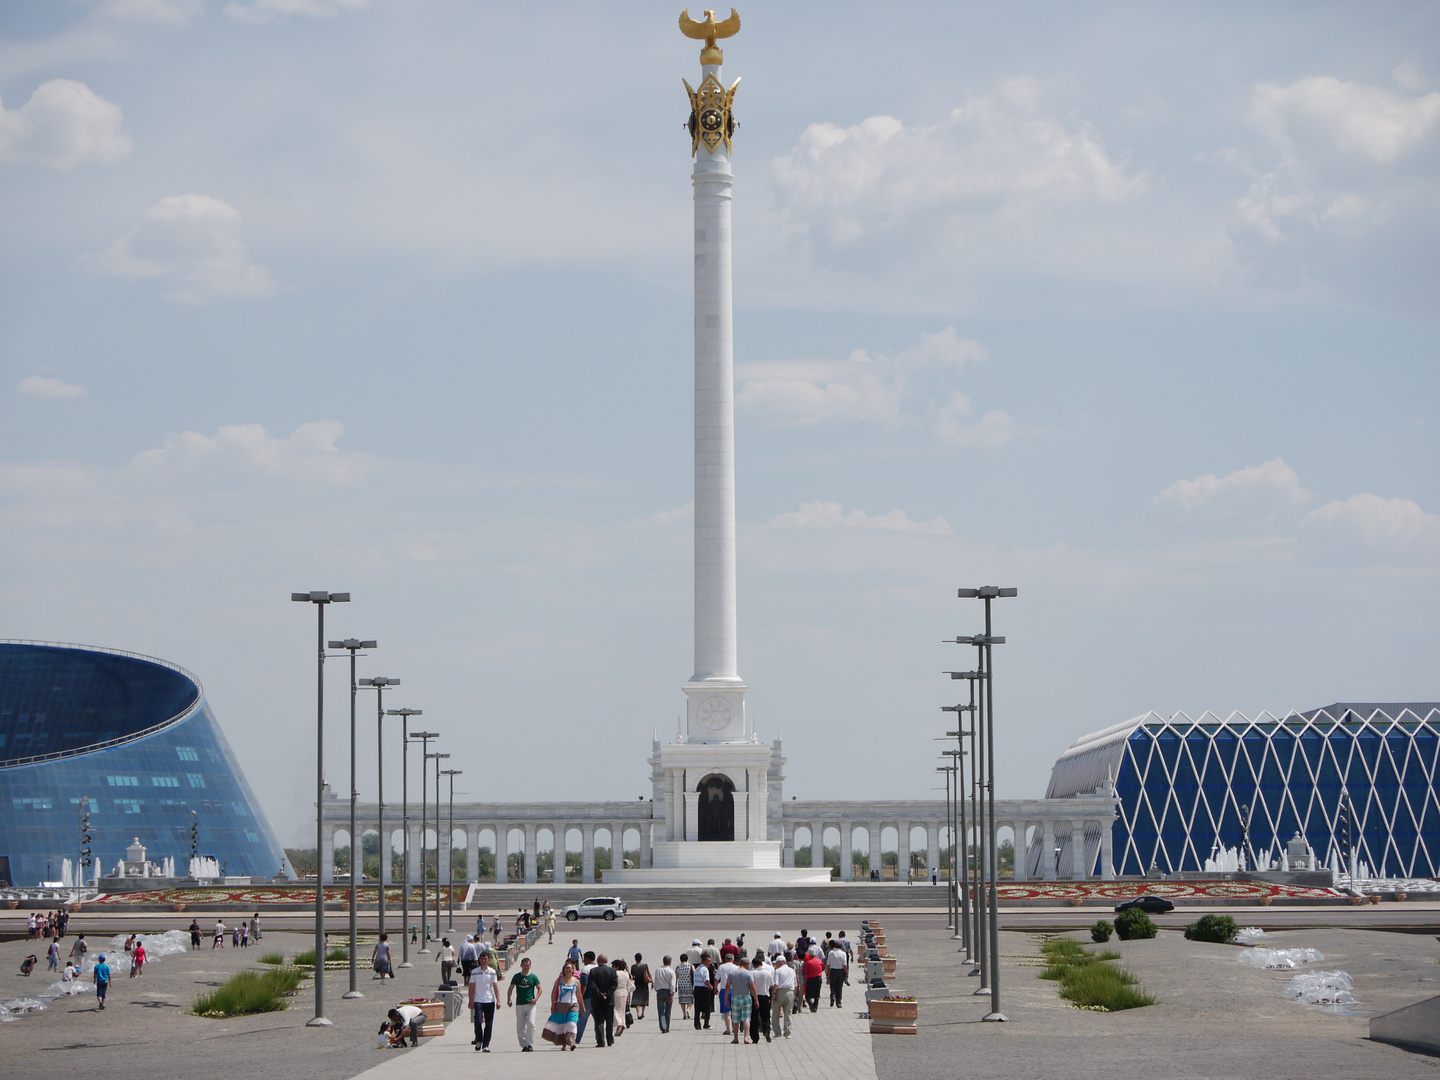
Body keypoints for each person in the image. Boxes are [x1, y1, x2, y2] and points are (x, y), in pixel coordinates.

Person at [541, 959, 582, 1050]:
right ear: (563, 970)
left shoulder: (576, 981)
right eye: (566, 968)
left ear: (573, 970)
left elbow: (579, 995)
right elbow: (553, 992)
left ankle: (572, 1042)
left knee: (572, 1023)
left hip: (573, 1005)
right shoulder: (559, 980)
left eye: (569, 968)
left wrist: (583, 1006)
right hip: (561, 1005)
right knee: (562, 1025)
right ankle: (563, 1043)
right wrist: (553, 1005)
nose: (568, 970)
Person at [467, 950, 501, 1052]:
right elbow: (471, 987)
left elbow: (495, 986)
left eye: (485, 959)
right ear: (479, 960)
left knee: (489, 1024)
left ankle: (486, 1044)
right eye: (482, 959)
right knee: (478, 1021)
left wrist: (498, 1000)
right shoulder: (475, 972)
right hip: (478, 1000)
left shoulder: (492, 971)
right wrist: (470, 1000)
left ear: (488, 960)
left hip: (489, 1000)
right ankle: (479, 1040)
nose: (484, 961)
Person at [508, 955, 541, 1051]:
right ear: (521, 965)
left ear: (530, 966)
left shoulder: (533, 977)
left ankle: (530, 1043)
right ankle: (524, 1045)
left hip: (530, 1004)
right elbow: (511, 988)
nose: (526, 967)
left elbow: (540, 989)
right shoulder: (517, 976)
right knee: (520, 1025)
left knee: (531, 1023)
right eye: (524, 965)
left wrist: (536, 999)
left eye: (528, 965)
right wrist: (509, 999)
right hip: (520, 1004)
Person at [588, 952, 617, 1047]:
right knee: (609, 1021)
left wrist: (600, 995)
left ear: (598, 960)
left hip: (597, 1000)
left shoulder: (593, 971)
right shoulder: (612, 971)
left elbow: (592, 985)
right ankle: (609, 1040)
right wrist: (607, 994)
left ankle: (601, 1042)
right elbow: (615, 985)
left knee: (599, 1021)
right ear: (607, 961)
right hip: (609, 1001)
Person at [726, 955, 756, 1045]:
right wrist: (756, 999)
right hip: (746, 997)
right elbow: (752, 986)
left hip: (735, 997)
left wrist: (726, 998)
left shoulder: (732, 973)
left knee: (735, 1019)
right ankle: (746, 1038)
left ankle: (735, 1038)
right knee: (746, 1018)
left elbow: (727, 986)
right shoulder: (749, 973)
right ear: (747, 964)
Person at [750, 951, 774, 1042]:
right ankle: (766, 1031)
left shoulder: (752, 973)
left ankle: (755, 1038)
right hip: (765, 996)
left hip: (754, 996)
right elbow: (771, 985)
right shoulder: (767, 973)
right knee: (766, 1016)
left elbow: (750, 985)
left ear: (754, 965)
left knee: (754, 1017)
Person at [772, 949, 796, 1039]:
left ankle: (777, 1032)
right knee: (788, 1013)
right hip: (790, 992)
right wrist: (795, 994)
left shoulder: (778, 971)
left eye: (776, 963)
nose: (775, 965)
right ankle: (788, 1032)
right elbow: (795, 984)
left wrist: (774, 994)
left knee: (775, 1012)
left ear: (781, 962)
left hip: (780, 992)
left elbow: (775, 984)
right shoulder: (792, 971)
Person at [575, 951, 596, 1043]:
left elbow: (584, 985)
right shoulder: (598, 968)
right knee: (598, 1021)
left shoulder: (585, 969)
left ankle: (576, 1039)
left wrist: (580, 998)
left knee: (582, 1020)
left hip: (587, 998)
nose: (583, 960)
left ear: (587, 959)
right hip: (597, 999)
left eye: (584, 958)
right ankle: (600, 1039)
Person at [653, 955, 676, 1033]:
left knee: (661, 1010)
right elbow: (672, 984)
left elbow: (655, 980)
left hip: (660, 991)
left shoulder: (657, 970)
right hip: (668, 992)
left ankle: (663, 1027)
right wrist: (672, 994)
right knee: (668, 1011)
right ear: (670, 963)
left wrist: (656, 989)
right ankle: (667, 1026)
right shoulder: (671, 972)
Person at [716, 951, 737, 1035]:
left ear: (725, 959)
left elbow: (717, 979)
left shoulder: (721, 967)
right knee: (735, 1011)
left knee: (726, 1011)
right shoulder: (736, 967)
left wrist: (715, 988)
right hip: (734, 990)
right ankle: (735, 1028)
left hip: (724, 989)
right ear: (733, 959)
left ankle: (728, 1029)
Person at [826, 938, 849, 1007]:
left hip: (833, 971)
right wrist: (846, 973)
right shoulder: (843, 953)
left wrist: (827, 972)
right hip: (840, 971)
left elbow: (828, 964)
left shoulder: (831, 953)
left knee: (832, 986)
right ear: (841, 947)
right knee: (839, 987)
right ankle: (838, 1002)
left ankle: (832, 996)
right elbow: (845, 965)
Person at [611, 958, 631, 1037]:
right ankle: (622, 1024)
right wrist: (628, 997)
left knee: (615, 1010)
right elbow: (628, 986)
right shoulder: (625, 974)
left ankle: (619, 1024)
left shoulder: (615, 974)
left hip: (616, 993)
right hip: (624, 993)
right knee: (622, 1011)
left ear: (617, 967)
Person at [675, 949, 695, 1024]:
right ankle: (688, 1010)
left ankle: (683, 1013)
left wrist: (675, 986)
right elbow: (694, 974)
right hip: (689, 984)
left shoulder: (678, 967)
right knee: (690, 999)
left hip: (681, 985)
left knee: (682, 1000)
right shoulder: (690, 966)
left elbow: (676, 977)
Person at [630, 952, 650, 1020]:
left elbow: (631, 976)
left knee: (636, 998)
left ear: (635, 959)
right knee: (644, 998)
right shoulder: (645, 966)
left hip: (637, 983)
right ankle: (643, 1013)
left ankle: (638, 1013)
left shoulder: (633, 967)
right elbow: (648, 974)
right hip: (644, 984)